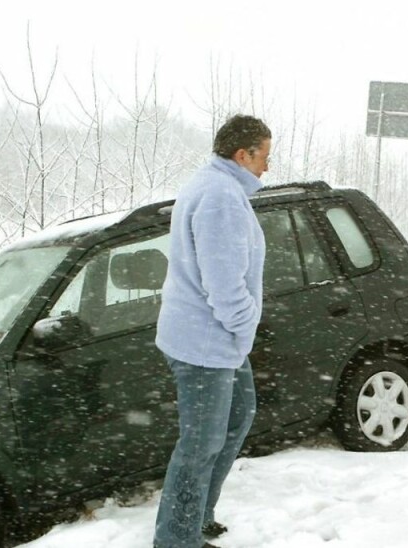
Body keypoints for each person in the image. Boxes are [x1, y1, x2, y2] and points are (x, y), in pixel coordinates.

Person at [153, 114, 271, 548]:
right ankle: (176, 540)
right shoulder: (220, 197)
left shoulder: (218, 187)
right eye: (264, 156)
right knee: (199, 447)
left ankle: (196, 516)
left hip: (214, 340)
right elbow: (223, 285)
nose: (266, 167)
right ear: (242, 154)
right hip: (207, 343)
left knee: (238, 418)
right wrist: (243, 331)